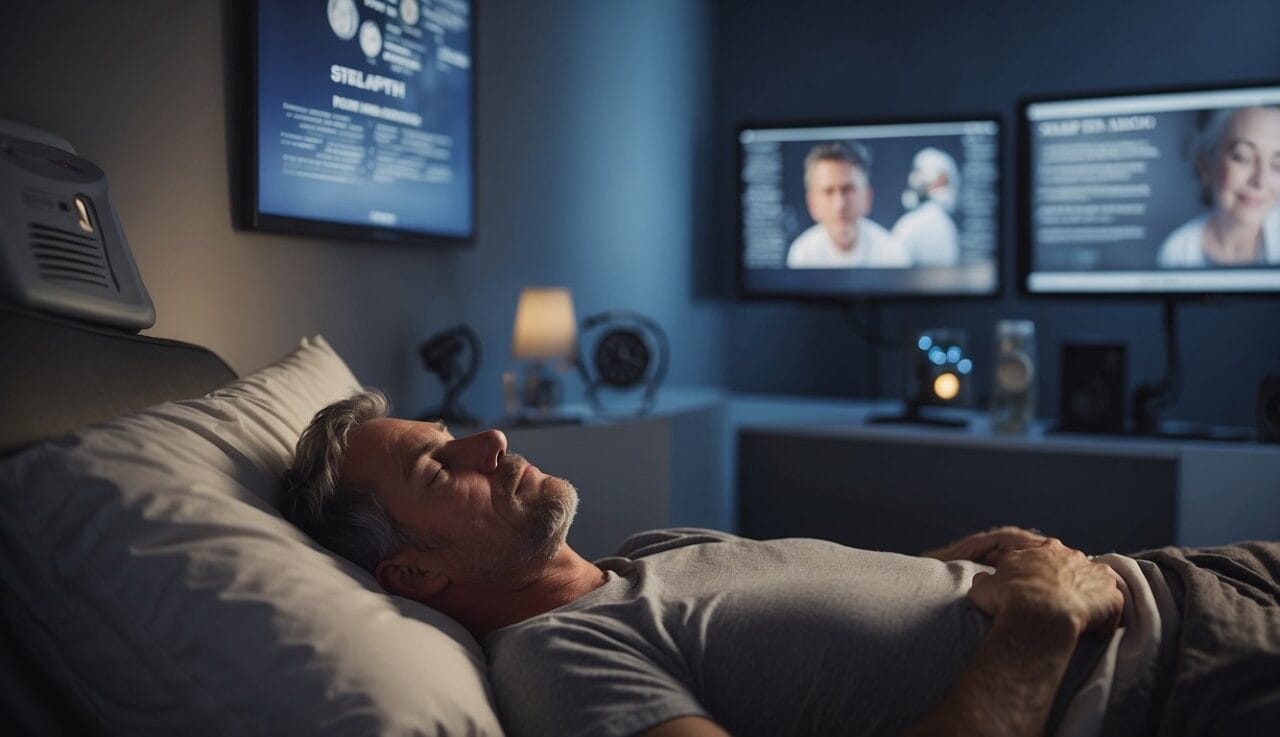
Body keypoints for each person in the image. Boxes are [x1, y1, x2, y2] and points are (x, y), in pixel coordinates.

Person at [280, 391, 1280, 737]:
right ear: (410, 573)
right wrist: (1033, 622)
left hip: (1189, 577)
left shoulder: (651, 555)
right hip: (1173, 674)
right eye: (435, 462)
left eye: (453, 430)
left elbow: (829, 618)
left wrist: (974, 561)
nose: (488, 440)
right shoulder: (559, 663)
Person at [1157, 105, 1280, 268]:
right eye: (1243, 157)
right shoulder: (1177, 252)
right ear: (1205, 165)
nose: (1261, 181)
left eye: (1277, 164)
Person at [786, 141, 912, 268]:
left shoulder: (892, 254)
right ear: (812, 203)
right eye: (828, 192)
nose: (840, 205)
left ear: (867, 197)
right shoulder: (802, 255)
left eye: (848, 189)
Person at [891, 147, 961, 267]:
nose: (912, 178)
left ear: (940, 180)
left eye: (919, 171)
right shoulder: (947, 226)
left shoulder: (913, 224)